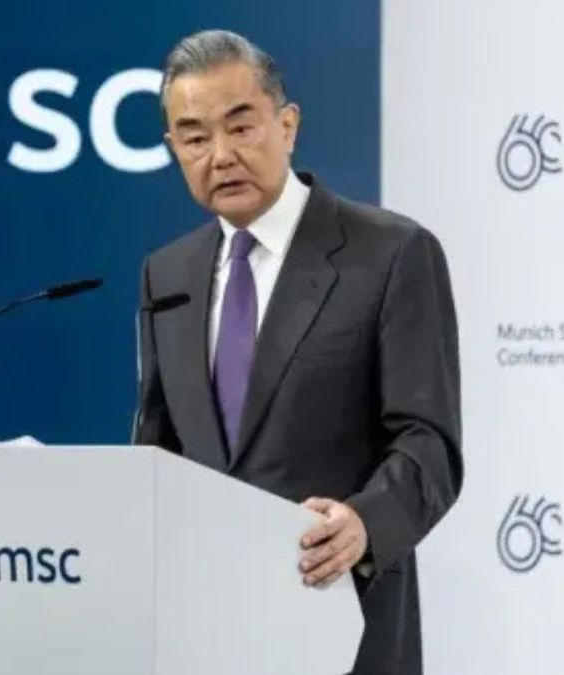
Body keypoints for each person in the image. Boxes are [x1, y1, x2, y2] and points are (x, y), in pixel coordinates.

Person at [133, 29, 463, 675]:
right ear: (174, 148)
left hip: (341, 614)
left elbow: (430, 442)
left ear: (287, 125)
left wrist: (364, 523)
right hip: (205, 634)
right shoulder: (165, 274)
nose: (221, 156)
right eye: (195, 138)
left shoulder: (391, 253)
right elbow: (158, 451)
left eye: (241, 127)